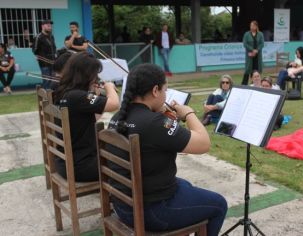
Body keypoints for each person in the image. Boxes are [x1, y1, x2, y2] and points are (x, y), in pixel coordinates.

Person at [108, 63, 227, 235]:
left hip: (124, 206)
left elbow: (153, 139)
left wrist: (162, 116)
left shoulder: (117, 117)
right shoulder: (155, 122)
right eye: (165, 90)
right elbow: (203, 144)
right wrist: (188, 113)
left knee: (185, 185)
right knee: (219, 204)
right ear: (155, 90)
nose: (165, 96)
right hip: (151, 212)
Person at [53, 52, 119, 182]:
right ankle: (119, 197)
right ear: (86, 75)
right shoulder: (78, 96)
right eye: (94, 74)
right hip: (82, 166)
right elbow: (114, 104)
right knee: (127, 161)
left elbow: (92, 119)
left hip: (65, 162)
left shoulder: (64, 91)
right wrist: (110, 87)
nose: (96, 78)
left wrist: (95, 96)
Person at [32, 19, 56, 89]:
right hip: (44, 63)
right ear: (42, 26)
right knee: (47, 80)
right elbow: (34, 50)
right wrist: (39, 56)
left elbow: (54, 48)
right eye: (48, 25)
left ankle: (52, 97)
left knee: (53, 80)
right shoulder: (38, 37)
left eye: (50, 25)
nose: (50, 27)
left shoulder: (51, 36)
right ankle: (46, 97)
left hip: (53, 62)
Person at [242, 20, 264, 85]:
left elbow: (262, 44)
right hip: (250, 55)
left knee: (256, 70)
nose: (251, 27)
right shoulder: (247, 34)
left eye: (253, 25)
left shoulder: (260, 34)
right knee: (248, 70)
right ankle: (244, 85)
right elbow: (245, 44)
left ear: (256, 26)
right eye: (251, 25)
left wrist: (257, 50)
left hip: (258, 56)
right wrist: (252, 50)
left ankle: (255, 84)